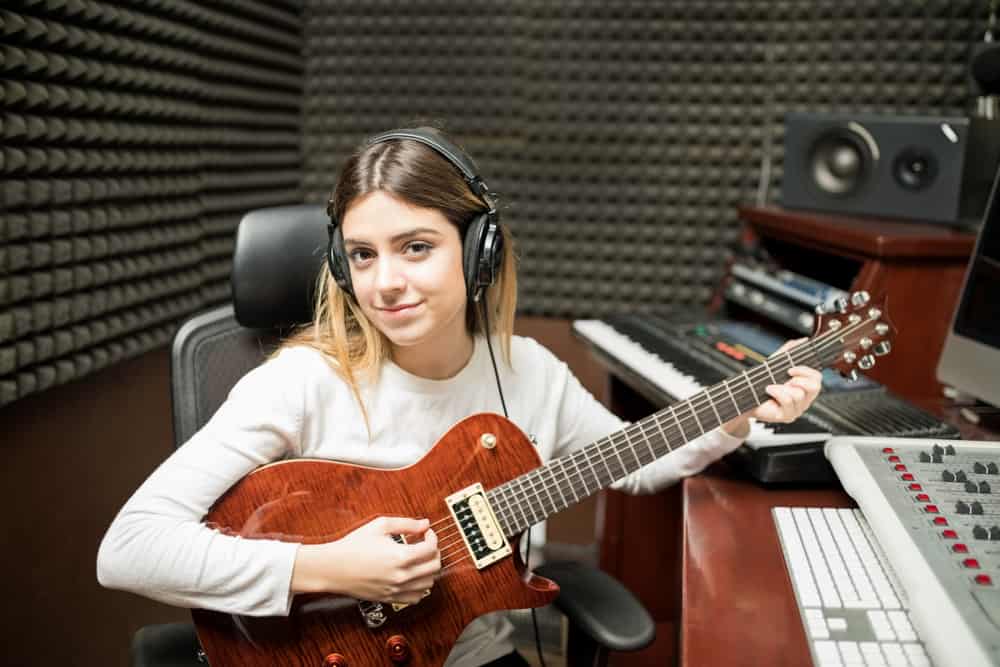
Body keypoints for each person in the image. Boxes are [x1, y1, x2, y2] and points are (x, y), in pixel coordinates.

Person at [97, 127, 822, 667]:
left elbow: (632, 462)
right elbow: (129, 549)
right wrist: (328, 567)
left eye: (416, 247)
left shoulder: (529, 371)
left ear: (479, 252)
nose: (385, 282)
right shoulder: (303, 382)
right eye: (363, 255)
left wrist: (737, 412)